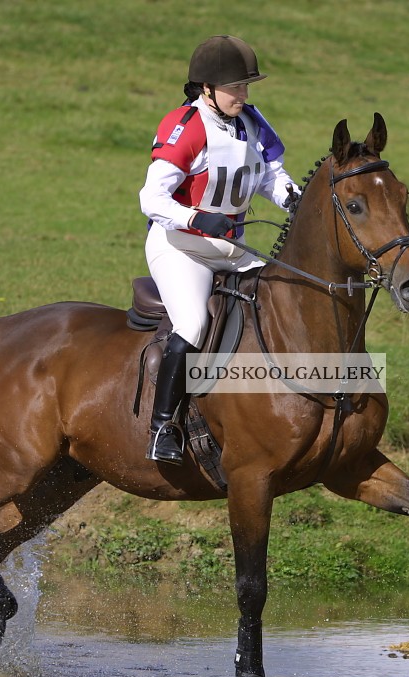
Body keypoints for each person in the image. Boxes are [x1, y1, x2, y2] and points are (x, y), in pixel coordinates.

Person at [139, 35, 298, 464]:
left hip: (231, 248)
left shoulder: (249, 121)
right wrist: (195, 218)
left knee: (284, 297)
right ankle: (163, 427)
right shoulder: (187, 124)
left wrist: (293, 198)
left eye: (247, 87)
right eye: (236, 88)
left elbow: (270, 174)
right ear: (206, 88)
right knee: (191, 324)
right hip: (181, 248)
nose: (243, 95)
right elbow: (151, 199)